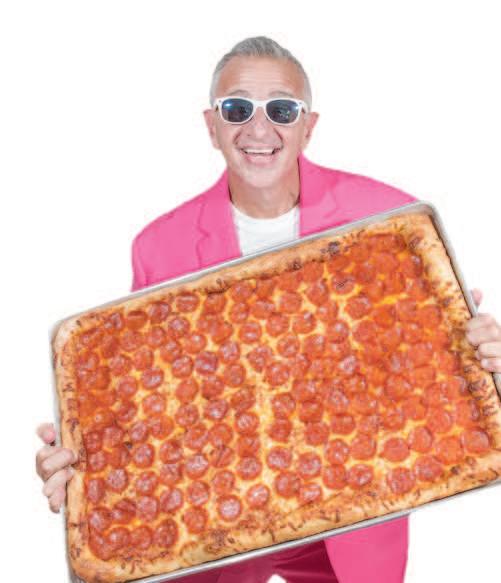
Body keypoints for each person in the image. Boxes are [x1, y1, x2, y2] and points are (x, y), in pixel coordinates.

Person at [36, 36, 501, 583]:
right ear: (212, 125)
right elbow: (145, 402)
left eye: (282, 109)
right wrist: (83, 462)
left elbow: (427, 373)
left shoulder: (390, 221)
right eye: (237, 109)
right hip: (216, 518)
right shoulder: (158, 246)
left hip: (357, 502)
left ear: (308, 126)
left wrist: (483, 365)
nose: (259, 129)